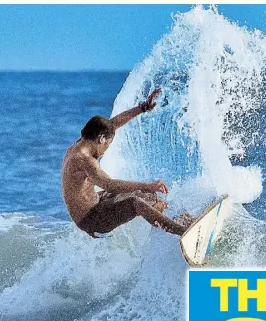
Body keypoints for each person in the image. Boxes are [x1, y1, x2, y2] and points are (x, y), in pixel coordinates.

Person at [61, 88, 190, 237]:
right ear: (101, 139)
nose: (105, 150)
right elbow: (111, 185)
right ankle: (182, 232)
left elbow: (112, 125)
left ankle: (180, 219)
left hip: (98, 202)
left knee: (145, 195)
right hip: (91, 220)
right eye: (108, 144)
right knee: (136, 202)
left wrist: (142, 108)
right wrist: (149, 185)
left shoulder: (81, 143)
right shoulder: (83, 160)